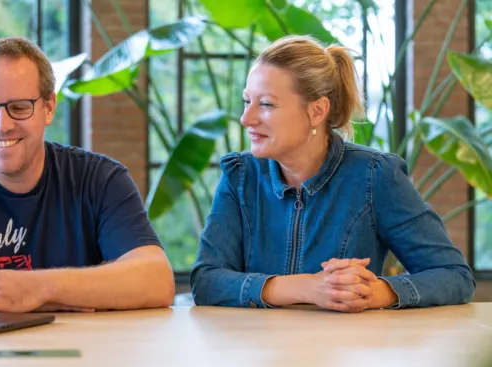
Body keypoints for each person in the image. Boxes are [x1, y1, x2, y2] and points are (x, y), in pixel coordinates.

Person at [190, 35, 475, 313]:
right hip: (254, 354)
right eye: (246, 101)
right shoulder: (240, 176)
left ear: (317, 112)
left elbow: (454, 275)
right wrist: (306, 288)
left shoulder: (375, 176)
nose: (246, 118)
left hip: (347, 354)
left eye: (265, 104)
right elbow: (206, 281)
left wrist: (376, 292)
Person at [0, 36, 175, 313]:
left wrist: (37, 288)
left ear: (48, 107)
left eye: (19, 108)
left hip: (77, 354)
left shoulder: (101, 179)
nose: (3, 125)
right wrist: (67, 296)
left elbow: (156, 280)